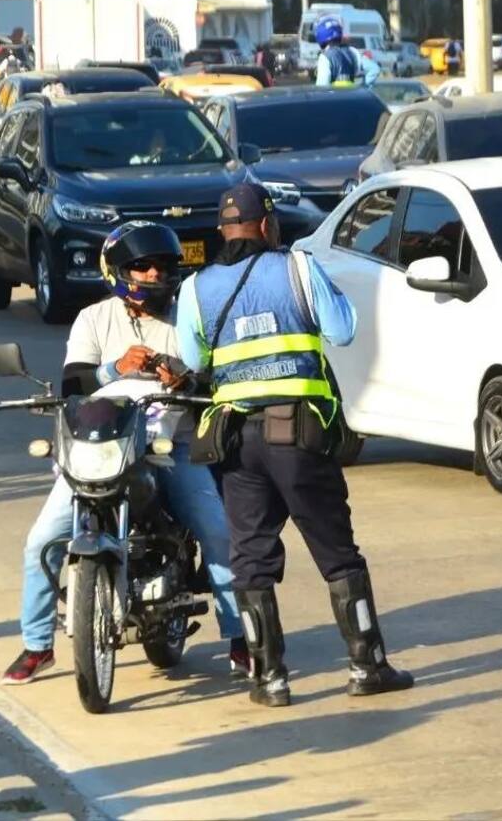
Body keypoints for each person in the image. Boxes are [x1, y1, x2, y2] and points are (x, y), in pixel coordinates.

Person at [176, 182, 413, 708]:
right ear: (266, 225)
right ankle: (366, 665)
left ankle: (269, 679)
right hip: (298, 435)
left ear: (224, 231)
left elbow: (191, 359)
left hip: (236, 441)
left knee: (251, 559)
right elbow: (343, 329)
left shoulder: (196, 288)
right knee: (337, 553)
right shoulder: (298, 268)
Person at [2, 221, 247, 684]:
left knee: (217, 531)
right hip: (99, 447)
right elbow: (72, 385)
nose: (155, 274)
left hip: (166, 446)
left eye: (164, 266)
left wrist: (185, 379)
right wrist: (114, 368)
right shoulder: (94, 319)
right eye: (143, 266)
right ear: (117, 272)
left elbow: (217, 379)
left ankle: (240, 640)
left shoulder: (189, 317)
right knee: (40, 542)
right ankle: (37, 645)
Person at [313, 16, 380, 87]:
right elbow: (374, 69)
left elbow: (322, 87)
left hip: (332, 97)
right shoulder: (352, 52)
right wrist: (363, 89)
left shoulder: (325, 57)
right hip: (350, 96)